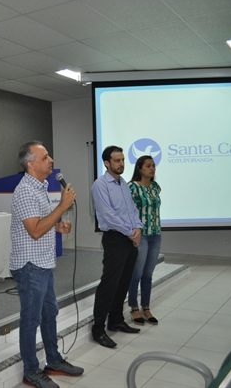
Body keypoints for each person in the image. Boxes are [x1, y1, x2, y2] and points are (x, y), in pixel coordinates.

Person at [10, 141, 83, 388]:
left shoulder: (40, 186)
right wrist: (63, 206)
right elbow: (34, 230)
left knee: (49, 312)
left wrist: (58, 225)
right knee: (31, 319)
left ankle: (53, 360)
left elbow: (42, 222)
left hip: (43, 263)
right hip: (30, 266)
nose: (51, 160)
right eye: (45, 157)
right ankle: (31, 371)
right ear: (32, 164)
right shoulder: (25, 191)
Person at [90, 145, 143, 349]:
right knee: (109, 284)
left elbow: (132, 210)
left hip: (130, 238)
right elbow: (109, 216)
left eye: (122, 160)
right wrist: (131, 232)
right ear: (107, 163)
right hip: (115, 238)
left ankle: (116, 320)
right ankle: (98, 329)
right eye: (117, 160)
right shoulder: (100, 185)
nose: (121, 164)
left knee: (124, 281)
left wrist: (137, 228)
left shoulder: (123, 184)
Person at [128, 156, 161, 325]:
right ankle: (134, 307)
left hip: (156, 234)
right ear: (139, 168)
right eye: (148, 166)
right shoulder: (132, 187)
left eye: (153, 166)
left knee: (148, 274)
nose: (152, 168)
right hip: (141, 235)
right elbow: (127, 211)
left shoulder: (155, 187)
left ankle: (146, 307)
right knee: (137, 273)